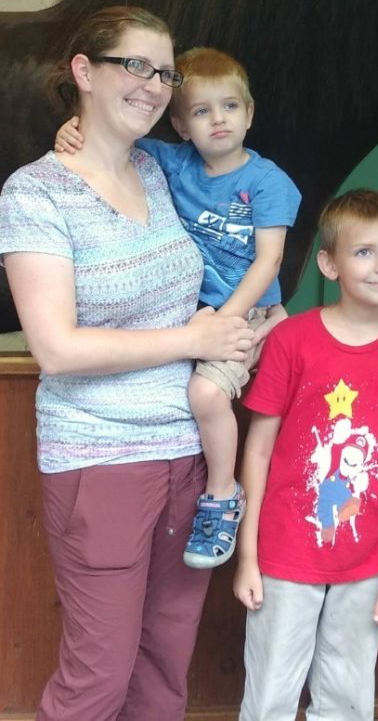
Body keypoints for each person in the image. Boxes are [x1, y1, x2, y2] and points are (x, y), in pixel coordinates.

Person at [0, 6, 260, 721]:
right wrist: (193, 342)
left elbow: (245, 173)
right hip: (101, 460)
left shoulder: (158, 169)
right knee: (99, 678)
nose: (154, 83)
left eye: (165, 71)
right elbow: (57, 346)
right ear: (85, 71)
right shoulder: (35, 193)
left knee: (162, 671)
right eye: (135, 65)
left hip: (188, 459)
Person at [55, 46, 301, 569]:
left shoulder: (267, 182)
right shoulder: (170, 162)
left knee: (208, 394)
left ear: (250, 114)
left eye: (230, 107)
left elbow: (269, 261)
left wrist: (229, 319)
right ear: (181, 126)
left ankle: (221, 496)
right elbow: (112, 139)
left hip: (244, 311)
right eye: (202, 111)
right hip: (189, 317)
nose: (218, 120)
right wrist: (72, 128)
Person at [233, 188, 378, 721]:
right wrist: (248, 554)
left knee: (348, 698)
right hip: (284, 554)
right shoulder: (292, 341)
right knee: (271, 696)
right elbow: (256, 452)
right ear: (329, 264)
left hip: (369, 557)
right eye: (364, 251)